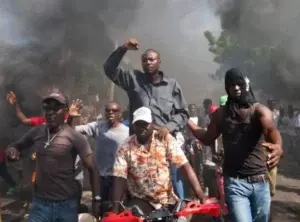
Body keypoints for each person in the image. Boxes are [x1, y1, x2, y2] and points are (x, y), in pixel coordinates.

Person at [188, 68, 283, 222]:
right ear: (227, 88)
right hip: (235, 183)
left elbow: (273, 132)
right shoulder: (221, 114)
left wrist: (278, 146)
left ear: (244, 85)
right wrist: (188, 122)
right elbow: (206, 138)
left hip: (260, 182)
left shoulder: (259, 111)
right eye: (232, 85)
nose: (236, 88)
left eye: (239, 84)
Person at [103, 38, 189, 199]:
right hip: (139, 147)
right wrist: (123, 48)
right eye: (144, 60)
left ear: (159, 62)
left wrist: (169, 127)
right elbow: (108, 69)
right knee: (138, 188)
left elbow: (183, 113)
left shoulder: (172, 85)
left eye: (151, 59)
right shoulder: (133, 80)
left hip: (165, 145)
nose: (148, 62)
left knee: (172, 185)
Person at [5, 92, 101, 221]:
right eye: (47, 108)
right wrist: (12, 151)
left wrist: (96, 199)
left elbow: (93, 168)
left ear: (65, 111)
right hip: (40, 204)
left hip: (66, 205)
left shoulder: (75, 137)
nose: (50, 112)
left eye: (55, 108)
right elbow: (16, 145)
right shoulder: (37, 131)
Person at [111, 107, 206, 217]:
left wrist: (201, 196)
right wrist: (115, 208)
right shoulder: (125, 147)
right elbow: (119, 177)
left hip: (167, 200)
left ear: (151, 123)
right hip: (141, 201)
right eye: (138, 124)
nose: (142, 127)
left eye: (145, 123)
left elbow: (184, 166)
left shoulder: (165, 139)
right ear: (133, 126)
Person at [74, 101, 129, 214]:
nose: (110, 113)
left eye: (114, 111)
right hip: (99, 176)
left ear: (120, 114)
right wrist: (70, 117)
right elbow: (73, 130)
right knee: (97, 205)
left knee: (114, 208)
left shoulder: (127, 132)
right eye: (108, 110)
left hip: (117, 177)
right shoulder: (98, 127)